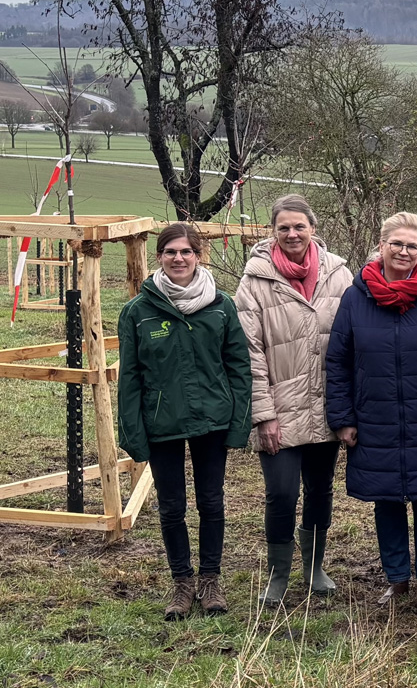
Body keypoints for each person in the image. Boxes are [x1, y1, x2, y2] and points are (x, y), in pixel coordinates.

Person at [325, 212, 417, 611]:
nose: (404, 252)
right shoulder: (356, 298)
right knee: (386, 500)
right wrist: (343, 419)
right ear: (382, 244)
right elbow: (338, 361)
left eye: (412, 246)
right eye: (397, 244)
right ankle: (396, 579)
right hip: (376, 418)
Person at [117, 223, 252, 620]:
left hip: (213, 419)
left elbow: (238, 367)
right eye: (171, 251)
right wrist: (133, 433)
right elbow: (130, 378)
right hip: (163, 422)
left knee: (212, 502)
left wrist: (239, 422)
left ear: (198, 256)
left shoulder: (220, 305)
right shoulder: (137, 312)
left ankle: (211, 580)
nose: (179, 258)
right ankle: (182, 583)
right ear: (159, 256)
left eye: (186, 252)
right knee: (172, 507)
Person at [234, 195, 354, 608]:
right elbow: (249, 352)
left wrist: (348, 407)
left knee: (320, 491)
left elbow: (354, 341)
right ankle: (278, 574)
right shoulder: (255, 281)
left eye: (299, 226)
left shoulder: (339, 275)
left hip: (325, 407)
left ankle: (315, 567)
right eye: (283, 227)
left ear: (313, 229)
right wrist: (263, 415)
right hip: (279, 412)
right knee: (281, 493)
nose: (292, 234)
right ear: (273, 231)